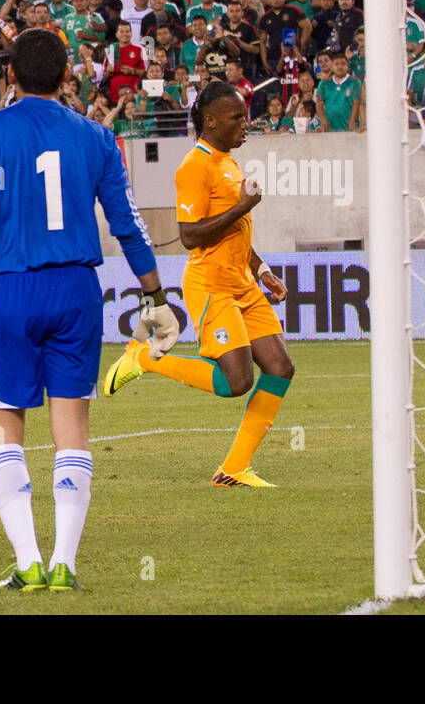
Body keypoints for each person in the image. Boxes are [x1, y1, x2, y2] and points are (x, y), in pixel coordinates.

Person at [0, 29, 177, 592]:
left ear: (9, 76)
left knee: (5, 429)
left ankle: (28, 560)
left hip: (11, 292)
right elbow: (128, 226)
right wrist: (156, 297)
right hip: (78, 291)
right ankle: (66, 565)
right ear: (66, 77)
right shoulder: (100, 138)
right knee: (71, 430)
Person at [102, 80, 296, 489]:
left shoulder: (228, 161)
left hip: (243, 281)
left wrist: (261, 270)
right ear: (210, 121)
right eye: (236, 118)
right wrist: (243, 205)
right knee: (236, 382)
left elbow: (237, 229)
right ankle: (145, 357)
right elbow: (190, 235)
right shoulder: (195, 166)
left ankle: (234, 468)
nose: (246, 124)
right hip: (211, 283)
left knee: (280, 366)